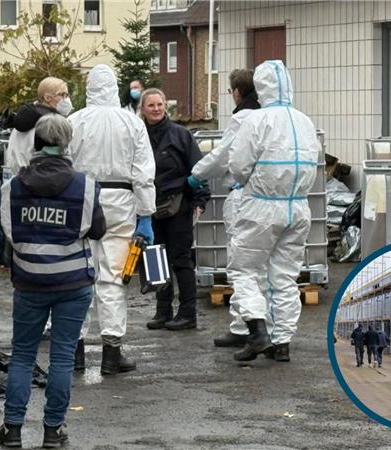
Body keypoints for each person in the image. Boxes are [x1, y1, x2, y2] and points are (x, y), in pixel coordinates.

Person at [0, 114, 106, 448]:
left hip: (29, 282)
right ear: (67, 144)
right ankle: (53, 431)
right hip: (73, 282)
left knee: (22, 355)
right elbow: (97, 229)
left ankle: (12, 429)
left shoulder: (12, 187)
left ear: (36, 143)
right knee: (61, 357)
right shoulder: (84, 185)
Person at [224, 60, 321, 362]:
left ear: (261, 87)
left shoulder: (257, 121)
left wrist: (247, 183)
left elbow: (238, 166)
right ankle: (282, 343)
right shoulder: (304, 121)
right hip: (297, 207)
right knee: (285, 276)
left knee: (245, 270)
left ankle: (257, 332)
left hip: (261, 207)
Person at [67, 64, 156, 375]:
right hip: (121, 203)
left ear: (89, 88)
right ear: (116, 87)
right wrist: (146, 214)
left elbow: (63, 164)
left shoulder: (74, 121)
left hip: (81, 201)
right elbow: (143, 173)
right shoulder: (131, 123)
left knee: (78, 277)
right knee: (114, 277)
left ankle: (74, 351)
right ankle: (111, 352)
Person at [190, 68, 260, 348]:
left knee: (241, 265)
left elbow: (224, 156)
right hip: (273, 201)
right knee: (267, 268)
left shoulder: (242, 118)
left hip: (243, 196)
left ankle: (243, 327)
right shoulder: (276, 116)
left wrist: (197, 174)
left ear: (236, 92)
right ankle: (273, 332)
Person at [140, 88, 210, 331]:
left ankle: (188, 312)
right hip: (149, 206)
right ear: (143, 109)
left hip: (178, 205)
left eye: (160, 104)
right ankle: (163, 310)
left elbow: (198, 169)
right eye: (151, 105)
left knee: (181, 260)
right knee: (155, 258)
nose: (156, 108)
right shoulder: (138, 136)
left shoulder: (181, 135)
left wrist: (200, 200)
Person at [6, 77, 72, 175]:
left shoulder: (23, 119)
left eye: (67, 95)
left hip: (18, 178)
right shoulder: (50, 125)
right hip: (38, 179)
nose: (66, 99)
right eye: (62, 95)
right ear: (47, 98)